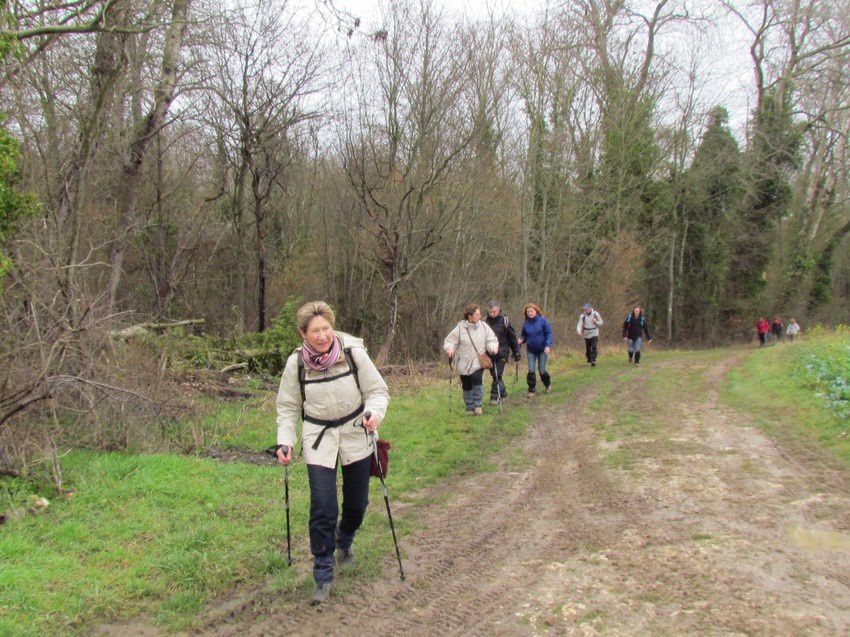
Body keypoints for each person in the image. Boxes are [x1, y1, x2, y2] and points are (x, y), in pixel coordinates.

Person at [274, 301, 389, 604]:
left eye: (326, 328)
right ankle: (322, 571)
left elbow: (377, 391)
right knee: (323, 506)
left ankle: (345, 539)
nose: (322, 336)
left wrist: (374, 413)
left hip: (355, 431)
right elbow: (287, 408)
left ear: (332, 327)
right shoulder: (296, 364)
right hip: (318, 438)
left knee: (356, 504)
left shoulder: (353, 353)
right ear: (303, 333)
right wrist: (284, 441)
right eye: (315, 331)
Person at [443, 304, 499, 415]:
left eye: (479, 314)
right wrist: (450, 349)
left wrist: (493, 347)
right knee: (466, 384)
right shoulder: (460, 328)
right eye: (477, 314)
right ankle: (469, 407)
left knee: (477, 379)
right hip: (463, 360)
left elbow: (491, 339)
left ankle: (478, 405)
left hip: (478, 360)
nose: (480, 316)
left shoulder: (483, 326)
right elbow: (450, 341)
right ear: (470, 316)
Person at [484, 300, 521, 405]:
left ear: (499, 310)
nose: (492, 314)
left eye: (494, 312)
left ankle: (494, 397)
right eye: (490, 312)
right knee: (495, 375)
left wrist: (516, 352)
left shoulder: (505, 321)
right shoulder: (484, 321)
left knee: (497, 374)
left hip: (502, 352)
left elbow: (512, 338)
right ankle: (503, 393)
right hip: (489, 353)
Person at [518, 303, 553, 397]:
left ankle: (547, 384)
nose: (530, 313)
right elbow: (524, 335)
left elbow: (549, 333)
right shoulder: (525, 323)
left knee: (541, 370)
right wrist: (521, 340)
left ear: (536, 311)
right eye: (528, 312)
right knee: (531, 370)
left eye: (531, 311)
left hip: (543, 349)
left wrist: (548, 345)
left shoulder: (543, 320)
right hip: (531, 350)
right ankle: (532, 389)